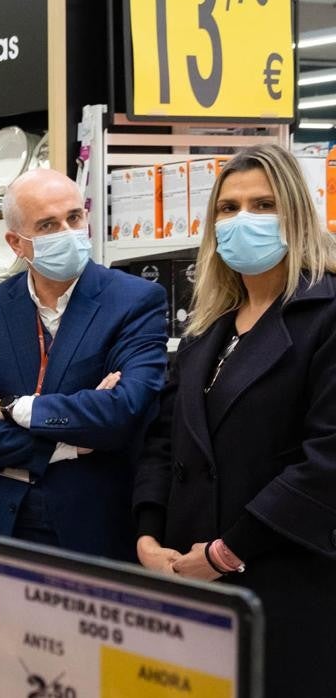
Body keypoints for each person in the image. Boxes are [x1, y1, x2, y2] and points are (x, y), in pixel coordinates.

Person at [133, 144, 336, 696]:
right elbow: (163, 436)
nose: (243, 220)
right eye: (228, 208)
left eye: (263, 204)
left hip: (279, 575)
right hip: (188, 570)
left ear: (296, 213)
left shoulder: (325, 315)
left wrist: (228, 552)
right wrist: (148, 534)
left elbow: (324, 465)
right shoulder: (208, 326)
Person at [0, 168, 169, 585]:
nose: (67, 232)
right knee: (9, 650)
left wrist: (13, 408)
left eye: (73, 218)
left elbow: (125, 410)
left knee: (95, 651)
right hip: (1, 520)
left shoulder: (134, 301)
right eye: (48, 225)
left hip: (93, 523)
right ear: (16, 243)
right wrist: (62, 446)